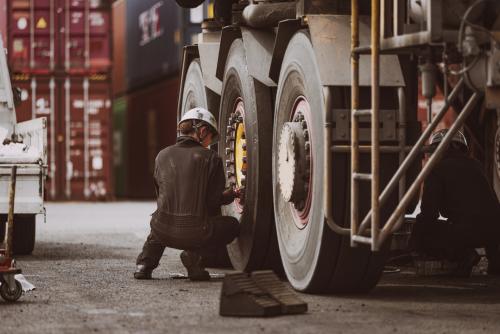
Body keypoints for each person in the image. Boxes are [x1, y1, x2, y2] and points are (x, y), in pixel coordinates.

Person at [134, 107, 241, 281]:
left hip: (162, 231)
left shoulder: (161, 155)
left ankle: (144, 265)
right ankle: (194, 259)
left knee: (161, 220)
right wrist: (231, 194)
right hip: (195, 233)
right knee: (232, 225)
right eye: (210, 138)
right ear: (203, 131)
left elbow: (161, 196)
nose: (210, 143)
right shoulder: (211, 158)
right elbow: (213, 202)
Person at [409, 129, 500, 276]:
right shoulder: (477, 166)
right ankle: (496, 263)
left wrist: (414, 241)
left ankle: (464, 255)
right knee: (489, 220)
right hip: (495, 233)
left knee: (425, 231)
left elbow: (428, 214)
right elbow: (492, 207)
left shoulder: (436, 170)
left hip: (466, 233)